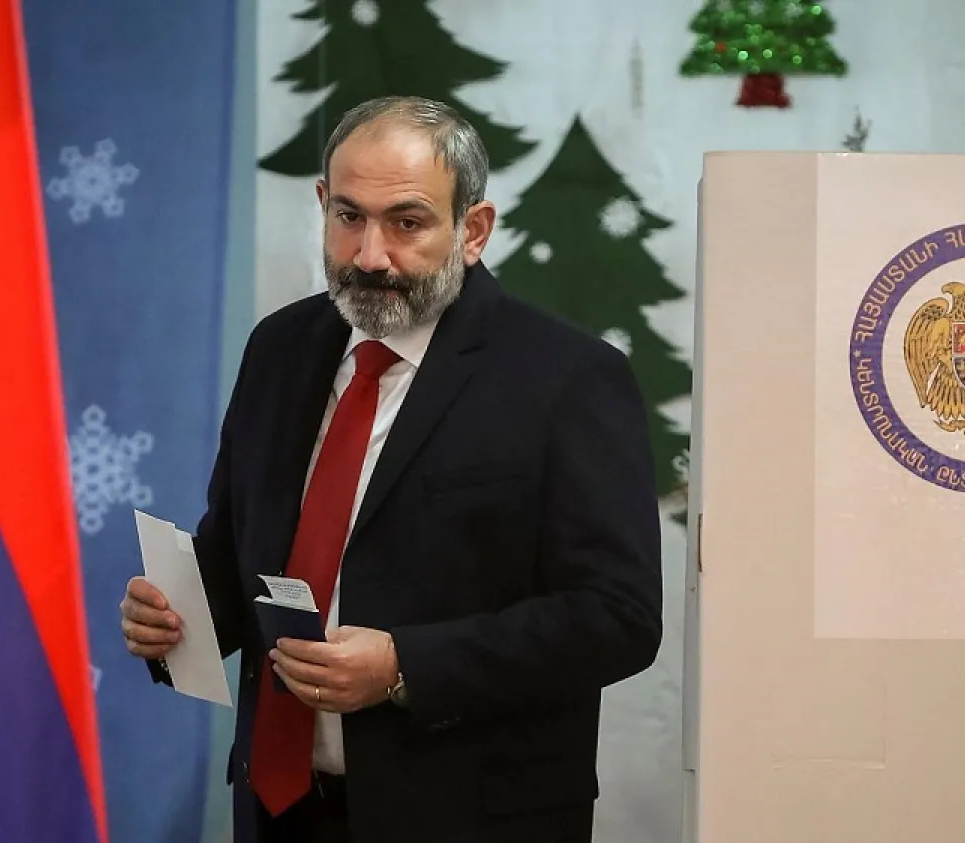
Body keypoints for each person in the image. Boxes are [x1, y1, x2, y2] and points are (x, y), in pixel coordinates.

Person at [119, 95, 663, 843]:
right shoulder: (279, 348)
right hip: (281, 809)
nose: (370, 255)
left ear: (473, 229)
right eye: (348, 217)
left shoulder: (567, 378)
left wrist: (407, 664)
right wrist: (178, 620)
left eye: (406, 222)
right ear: (321, 204)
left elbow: (618, 618)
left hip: (468, 817)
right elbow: (239, 549)